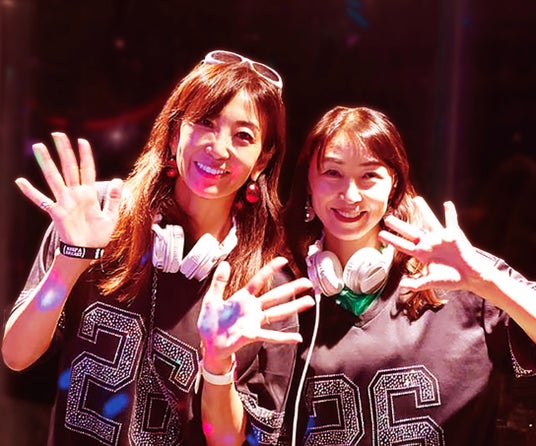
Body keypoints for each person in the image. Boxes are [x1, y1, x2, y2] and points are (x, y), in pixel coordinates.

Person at [2, 50, 314, 446]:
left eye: (243, 136)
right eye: (205, 122)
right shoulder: (96, 217)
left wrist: (218, 363)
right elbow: (17, 355)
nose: (219, 148)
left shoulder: (266, 290)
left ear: (263, 160)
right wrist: (70, 261)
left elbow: (227, 441)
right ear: (174, 132)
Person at [281, 105, 536, 445]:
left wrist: (483, 281)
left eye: (369, 175)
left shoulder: (461, 277)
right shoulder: (284, 293)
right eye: (332, 172)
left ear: (394, 185)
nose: (350, 194)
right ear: (308, 185)